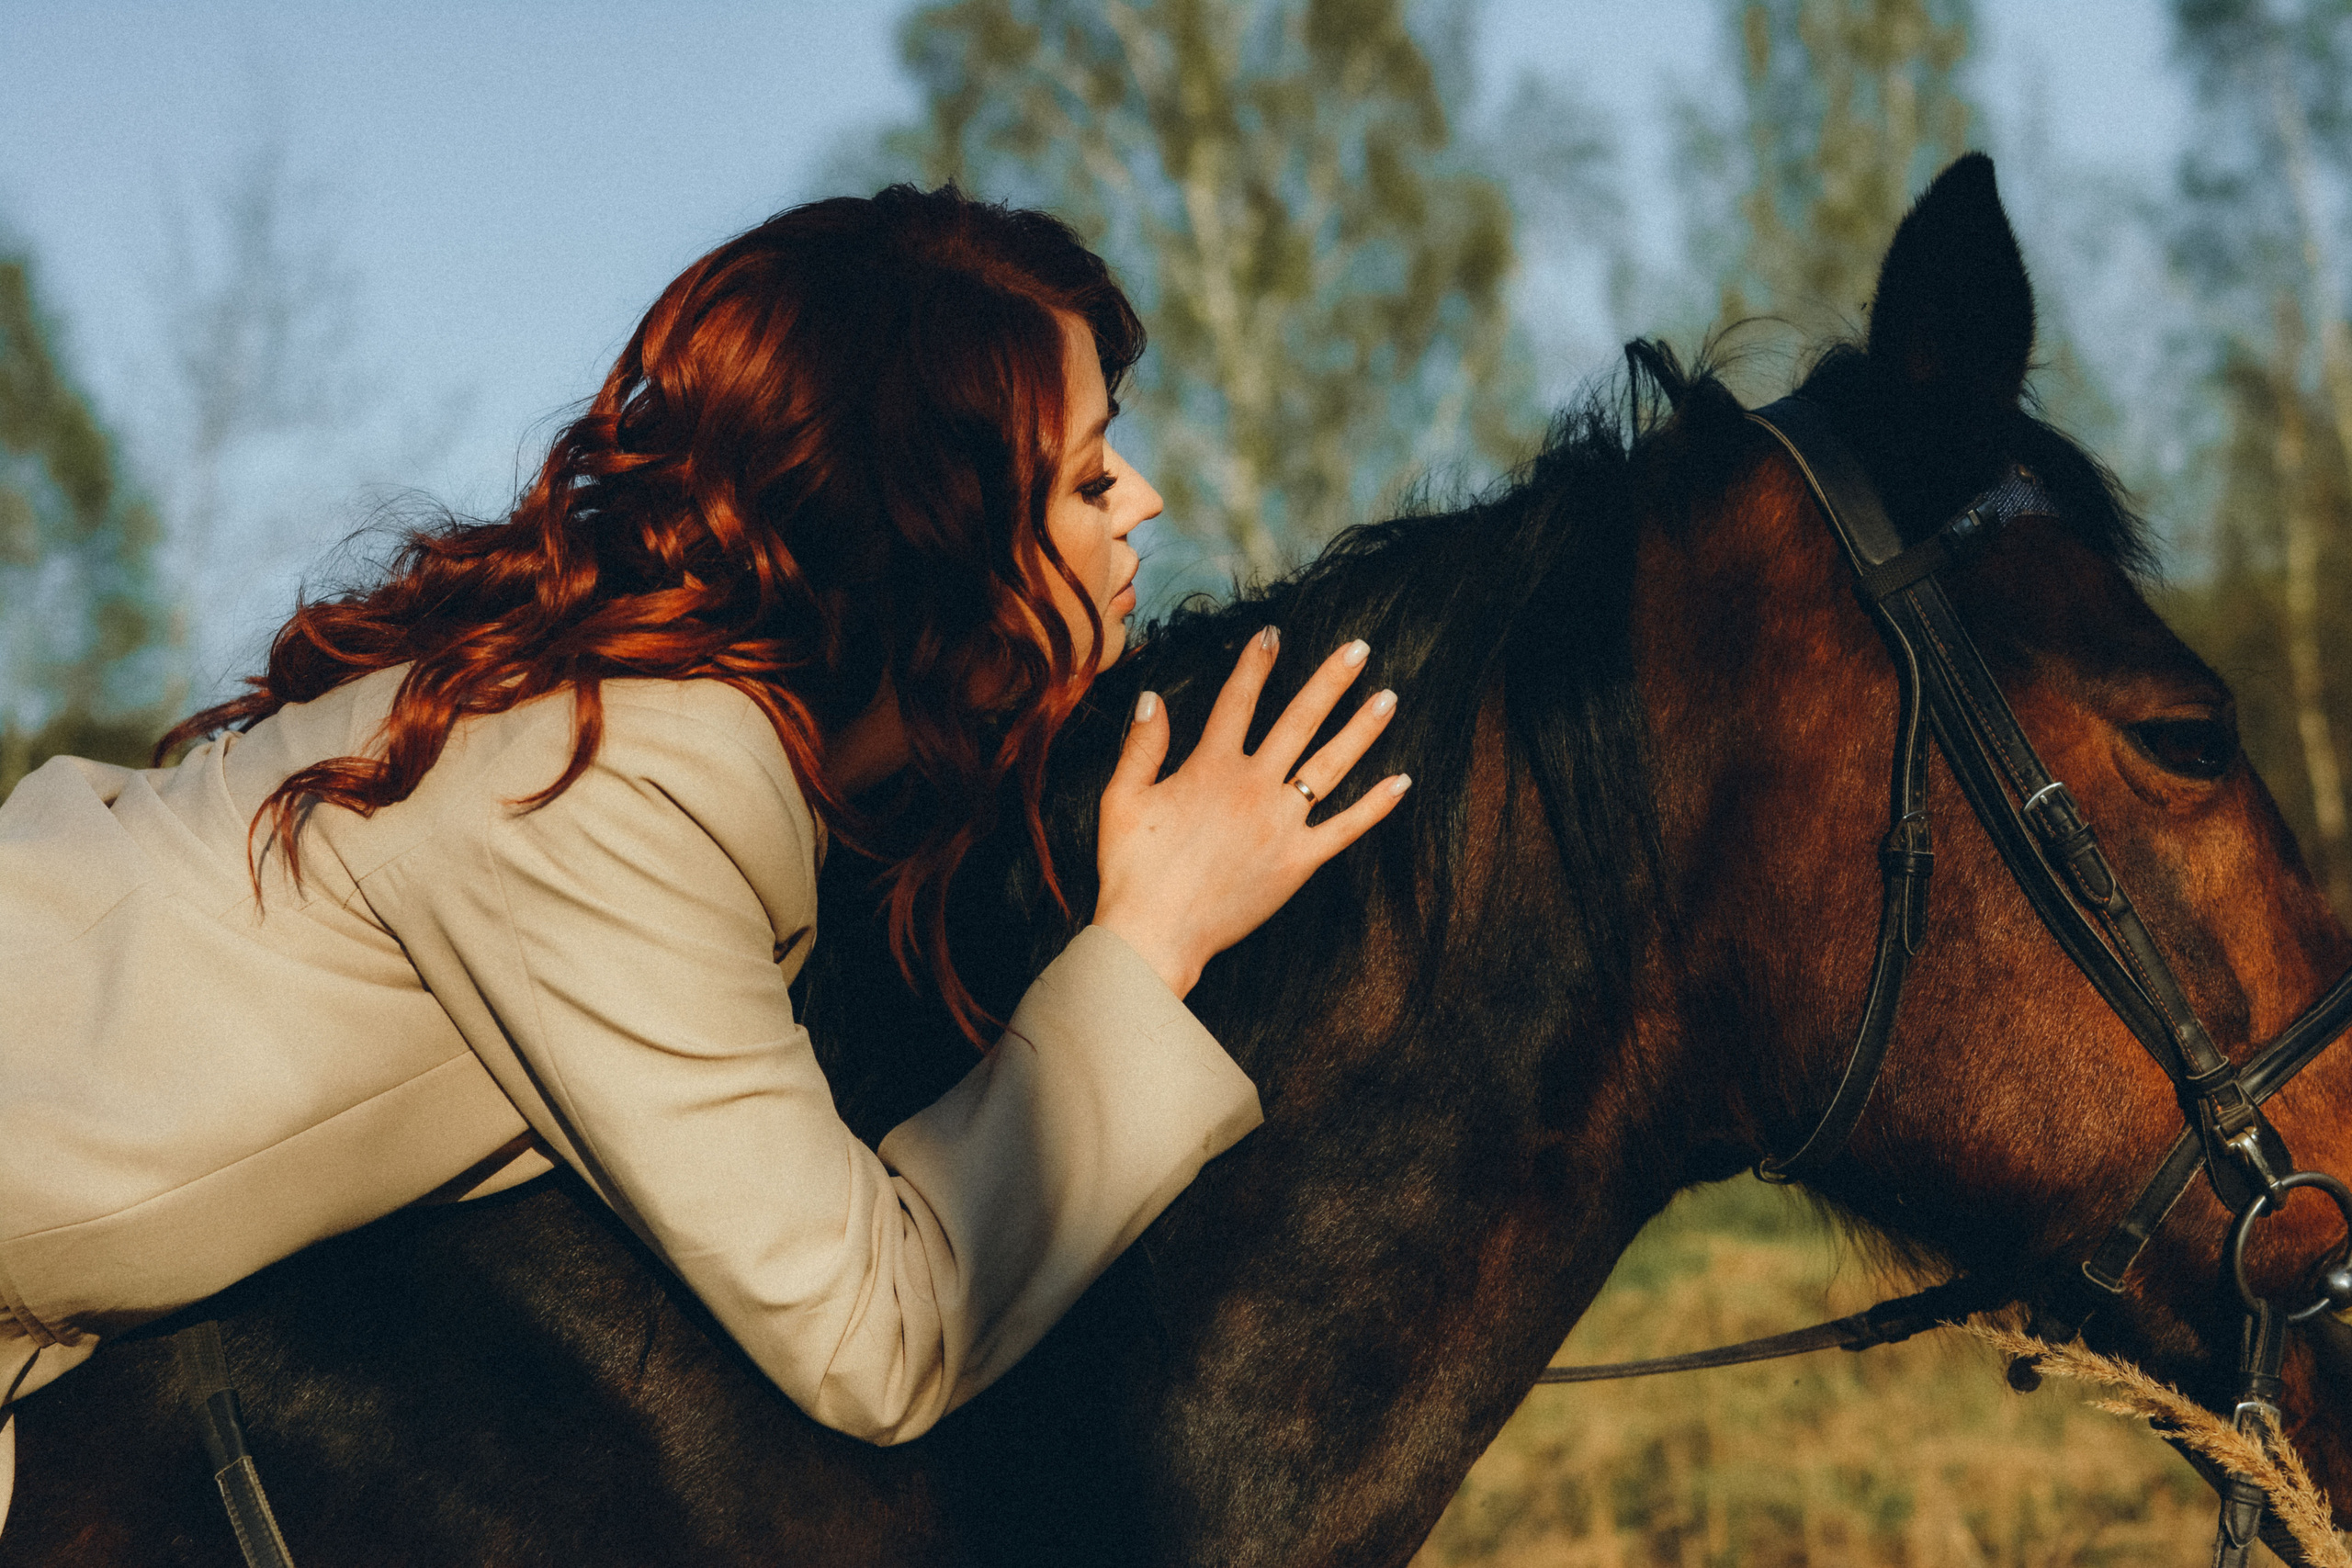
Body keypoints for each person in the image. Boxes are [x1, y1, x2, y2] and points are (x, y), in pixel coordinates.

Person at [0, 186, 1408, 1522]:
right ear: (930, 536)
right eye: (1090, 472)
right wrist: (1155, 935)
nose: (1145, 499)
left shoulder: (661, 733)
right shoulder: (610, 786)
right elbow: (878, 1336)